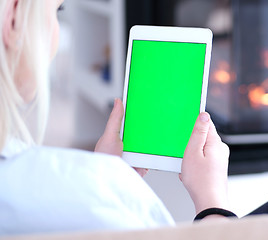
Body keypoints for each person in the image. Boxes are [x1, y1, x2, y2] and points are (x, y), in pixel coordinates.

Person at [0, 0, 232, 235]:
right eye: (57, 11)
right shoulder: (96, 201)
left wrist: (106, 175)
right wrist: (212, 204)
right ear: (13, 21)